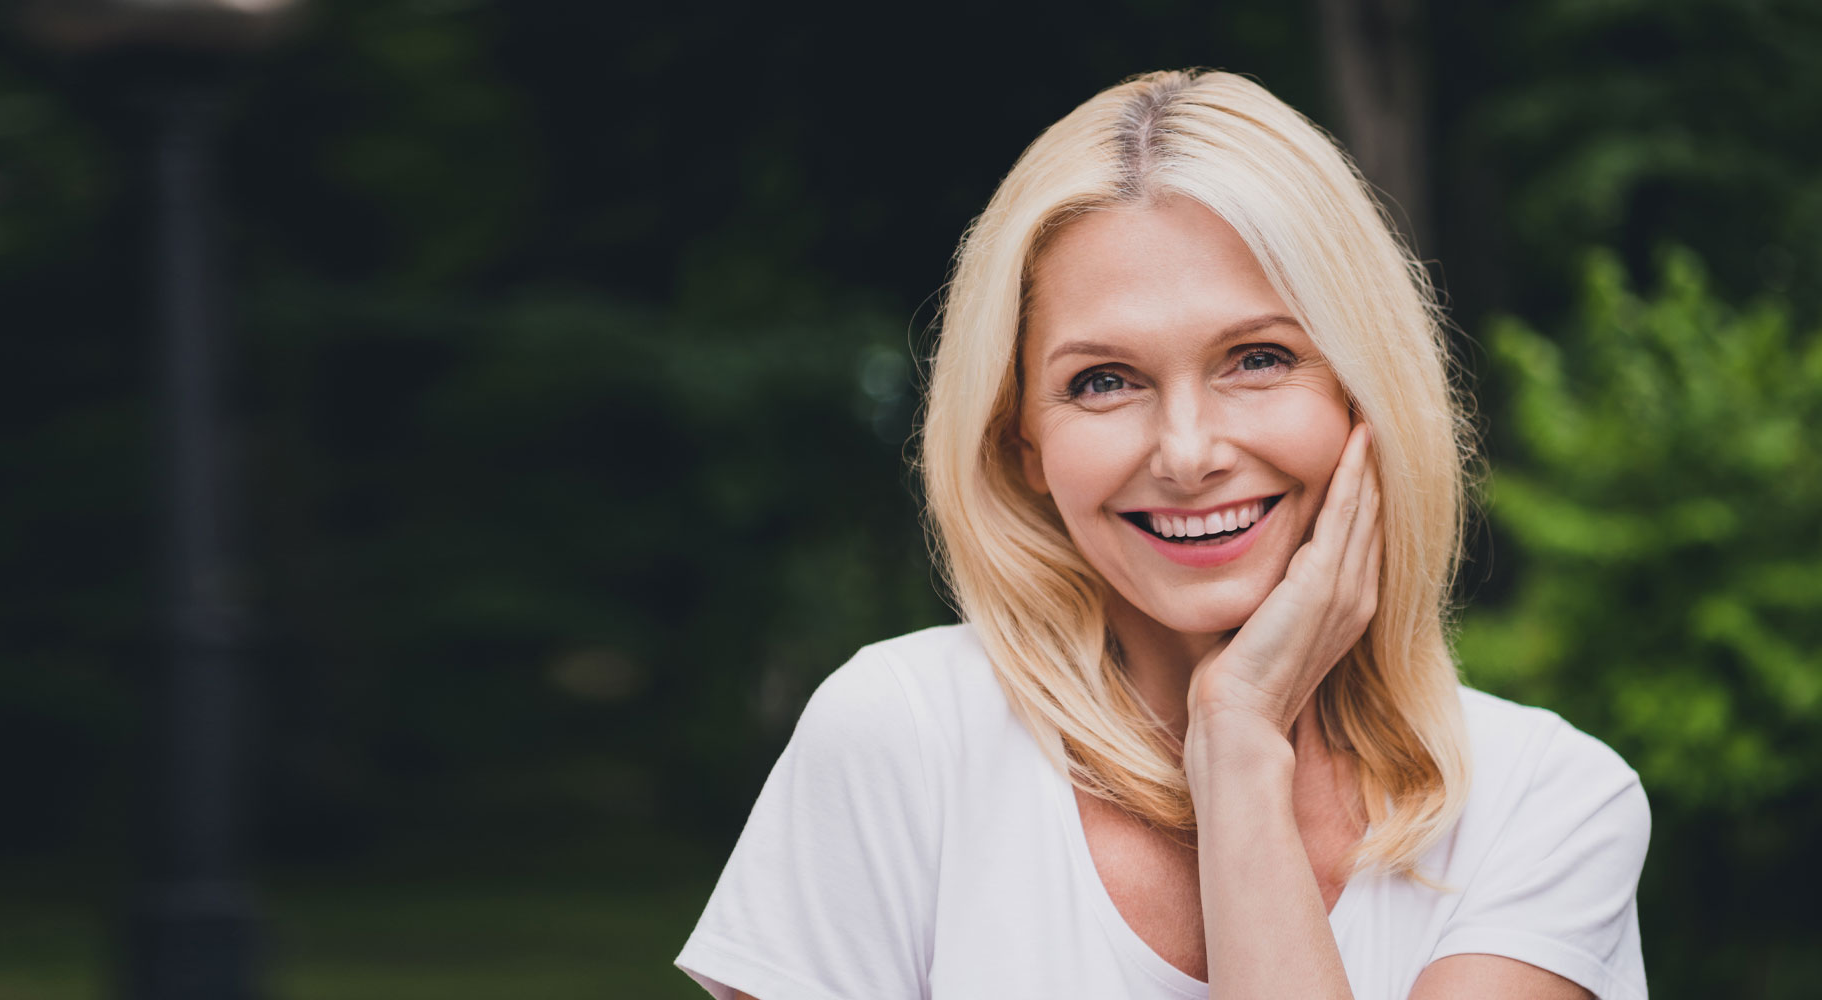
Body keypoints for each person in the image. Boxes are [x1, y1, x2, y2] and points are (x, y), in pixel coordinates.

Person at [674, 69, 1650, 1000]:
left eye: (1256, 359)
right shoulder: (903, 738)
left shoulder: (1546, 805)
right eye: (1102, 379)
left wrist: (1236, 746)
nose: (1185, 452)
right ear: (1023, 440)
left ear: (1366, 394)